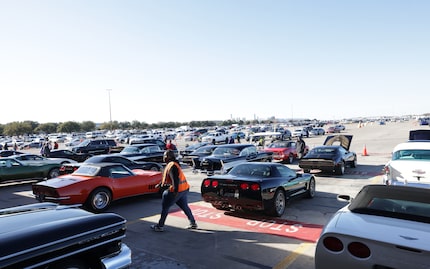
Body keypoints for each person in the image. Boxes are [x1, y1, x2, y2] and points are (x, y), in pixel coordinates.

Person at [151, 150, 197, 232]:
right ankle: (193, 223)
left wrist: (175, 193)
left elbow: (174, 179)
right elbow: (169, 178)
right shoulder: (174, 164)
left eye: (165, 156)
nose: (163, 157)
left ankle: (160, 226)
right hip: (183, 189)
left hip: (176, 191)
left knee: (165, 208)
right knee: (185, 207)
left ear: (168, 157)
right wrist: (160, 184)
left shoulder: (172, 166)